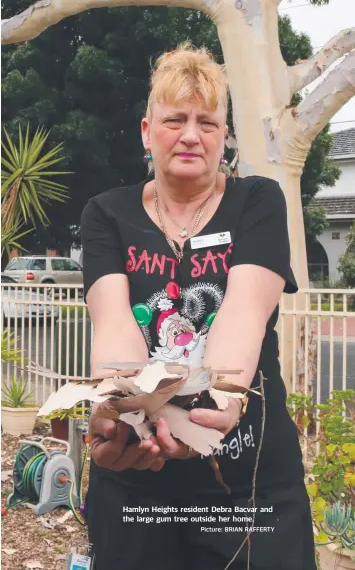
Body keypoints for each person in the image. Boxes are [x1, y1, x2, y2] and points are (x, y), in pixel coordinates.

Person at [80, 43, 316, 570]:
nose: (191, 135)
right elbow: (115, 322)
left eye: (208, 123)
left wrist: (226, 399)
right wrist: (121, 411)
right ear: (147, 131)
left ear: (224, 135)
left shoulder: (258, 201)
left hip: (247, 484)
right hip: (138, 482)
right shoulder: (107, 215)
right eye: (175, 119)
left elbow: (244, 312)